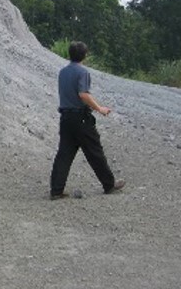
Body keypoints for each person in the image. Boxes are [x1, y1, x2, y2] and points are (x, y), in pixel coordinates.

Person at [49, 41, 125, 200]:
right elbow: (83, 94)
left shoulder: (62, 72)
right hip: (80, 118)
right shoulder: (82, 73)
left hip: (66, 118)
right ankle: (109, 184)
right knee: (95, 151)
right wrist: (100, 108)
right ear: (84, 55)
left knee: (64, 153)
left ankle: (56, 190)